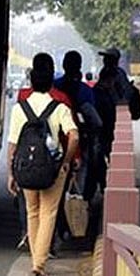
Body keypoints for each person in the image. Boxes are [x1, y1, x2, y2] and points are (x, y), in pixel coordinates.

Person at [8, 53, 79, 276]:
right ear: (51, 82)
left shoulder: (19, 109)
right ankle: (39, 265)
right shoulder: (59, 107)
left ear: (31, 81)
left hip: (26, 168)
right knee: (49, 213)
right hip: (53, 168)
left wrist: (11, 173)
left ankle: (34, 261)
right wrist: (66, 161)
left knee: (32, 212)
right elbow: (74, 136)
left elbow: (12, 145)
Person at [54, 51, 103, 202]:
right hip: (79, 141)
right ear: (80, 66)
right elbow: (95, 121)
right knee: (81, 175)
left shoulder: (55, 87)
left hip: (56, 139)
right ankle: (77, 211)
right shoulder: (85, 91)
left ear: (64, 66)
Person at [92, 67, 118, 194]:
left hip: (106, 132)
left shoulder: (103, 92)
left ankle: (103, 185)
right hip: (100, 132)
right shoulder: (99, 94)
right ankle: (101, 186)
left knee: (100, 160)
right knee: (99, 161)